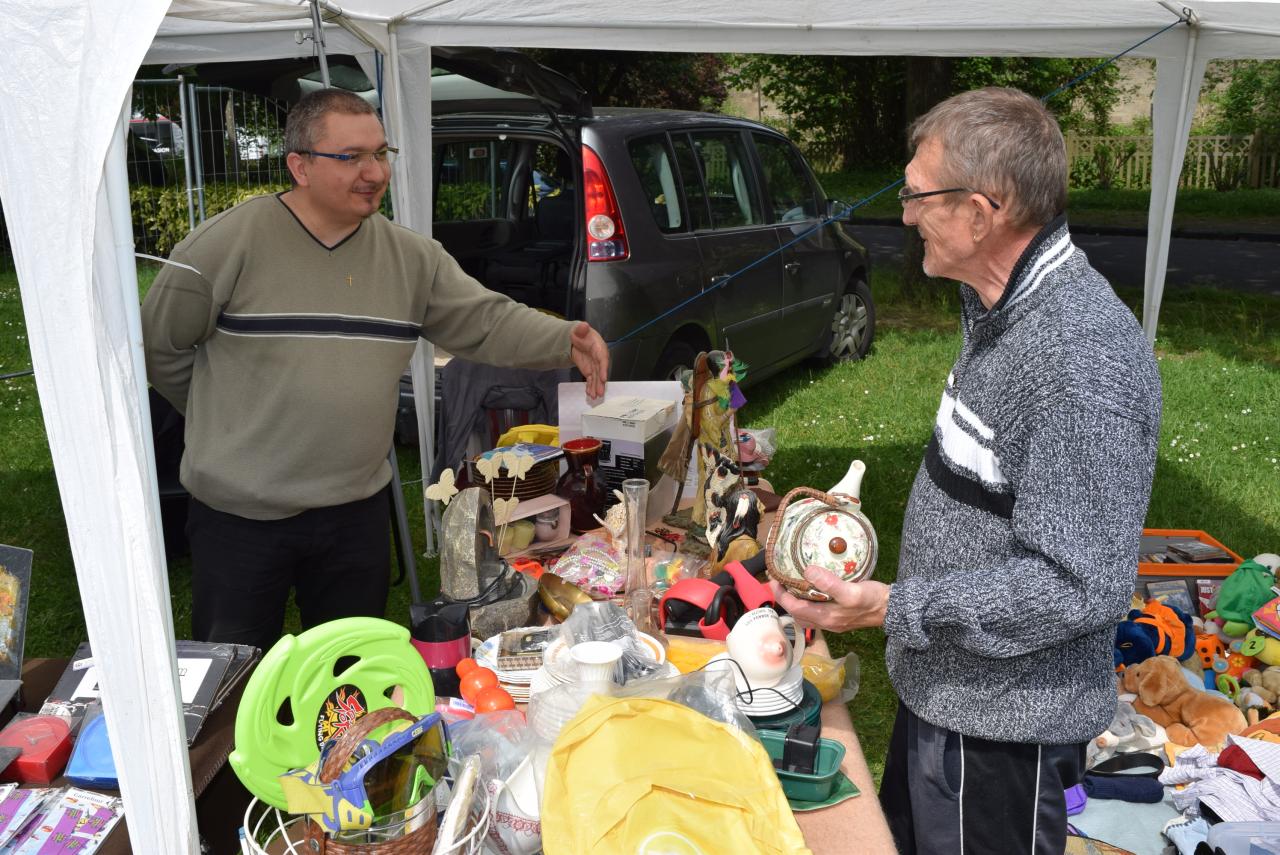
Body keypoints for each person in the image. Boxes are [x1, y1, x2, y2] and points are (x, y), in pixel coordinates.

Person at [771, 87, 1161, 854]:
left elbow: (1077, 583)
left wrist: (896, 607)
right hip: (949, 696)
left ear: (982, 214)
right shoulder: (998, 305)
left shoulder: (1081, 361)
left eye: (916, 197)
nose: (906, 214)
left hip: (1001, 733)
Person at [142, 88, 608, 654]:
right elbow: (159, 344)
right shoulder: (226, 244)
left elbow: (484, 320)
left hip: (354, 512)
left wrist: (566, 338)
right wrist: (222, 417)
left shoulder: (411, 258)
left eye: (380, 154)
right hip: (240, 517)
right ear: (300, 166)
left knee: (350, 672)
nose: (373, 172)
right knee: (235, 673)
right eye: (351, 157)